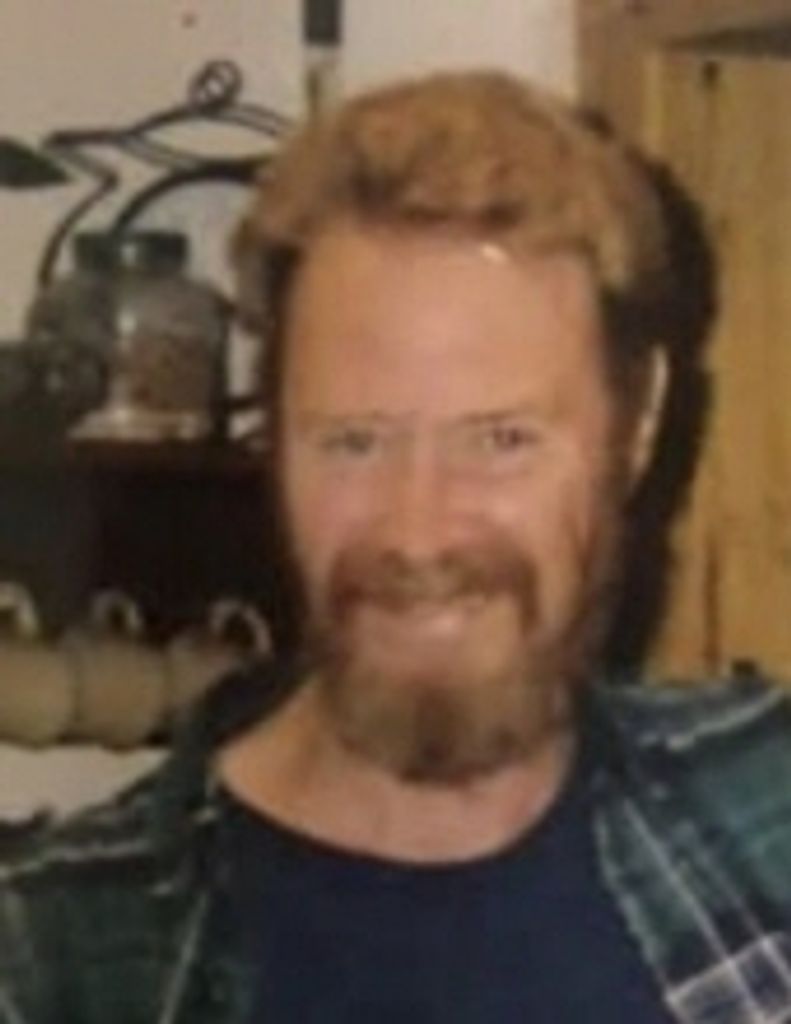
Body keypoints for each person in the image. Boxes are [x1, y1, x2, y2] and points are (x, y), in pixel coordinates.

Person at [2, 69, 791, 1024]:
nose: (419, 532)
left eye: (501, 439)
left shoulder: (765, 814)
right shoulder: (57, 956)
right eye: (353, 442)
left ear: (639, 425)